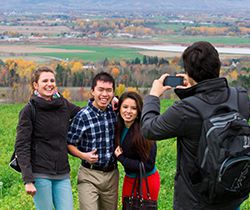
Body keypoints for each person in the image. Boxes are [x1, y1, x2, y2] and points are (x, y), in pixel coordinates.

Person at [140, 41, 249, 210]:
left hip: (195, 202)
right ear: (217, 66)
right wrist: (195, 89)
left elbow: (149, 129)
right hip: (231, 193)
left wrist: (153, 95)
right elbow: (209, 107)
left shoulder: (185, 111)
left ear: (188, 72)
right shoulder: (240, 97)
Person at [15, 66, 81, 210]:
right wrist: (28, 180)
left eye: (52, 80)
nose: (49, 84)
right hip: (40, 173)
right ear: (36, 85)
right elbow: (22, 146)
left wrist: (110, 102)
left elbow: (84, 114)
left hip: (62, 173)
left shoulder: (63, 104)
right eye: (45, 81)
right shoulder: (29, 110)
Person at [67, 71, 119, 210]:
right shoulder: (82, 116)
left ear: (113, 92)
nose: (104, 94)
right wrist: (84, 155)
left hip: (112, 175)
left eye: (109, 90)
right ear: (92, 92)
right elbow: (69, 144)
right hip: (89, 175)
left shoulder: (115, 112)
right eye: (100, 90)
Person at [114, 91, 160, 207]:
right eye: (125, 107)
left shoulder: (144, 132)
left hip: (146, 180)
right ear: (119, 109)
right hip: (129, 179)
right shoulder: (120, 126)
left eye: (133, 108)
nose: (128, 111)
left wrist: (121, 158)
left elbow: (147, 165)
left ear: (139, 111)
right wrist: (112, 100)